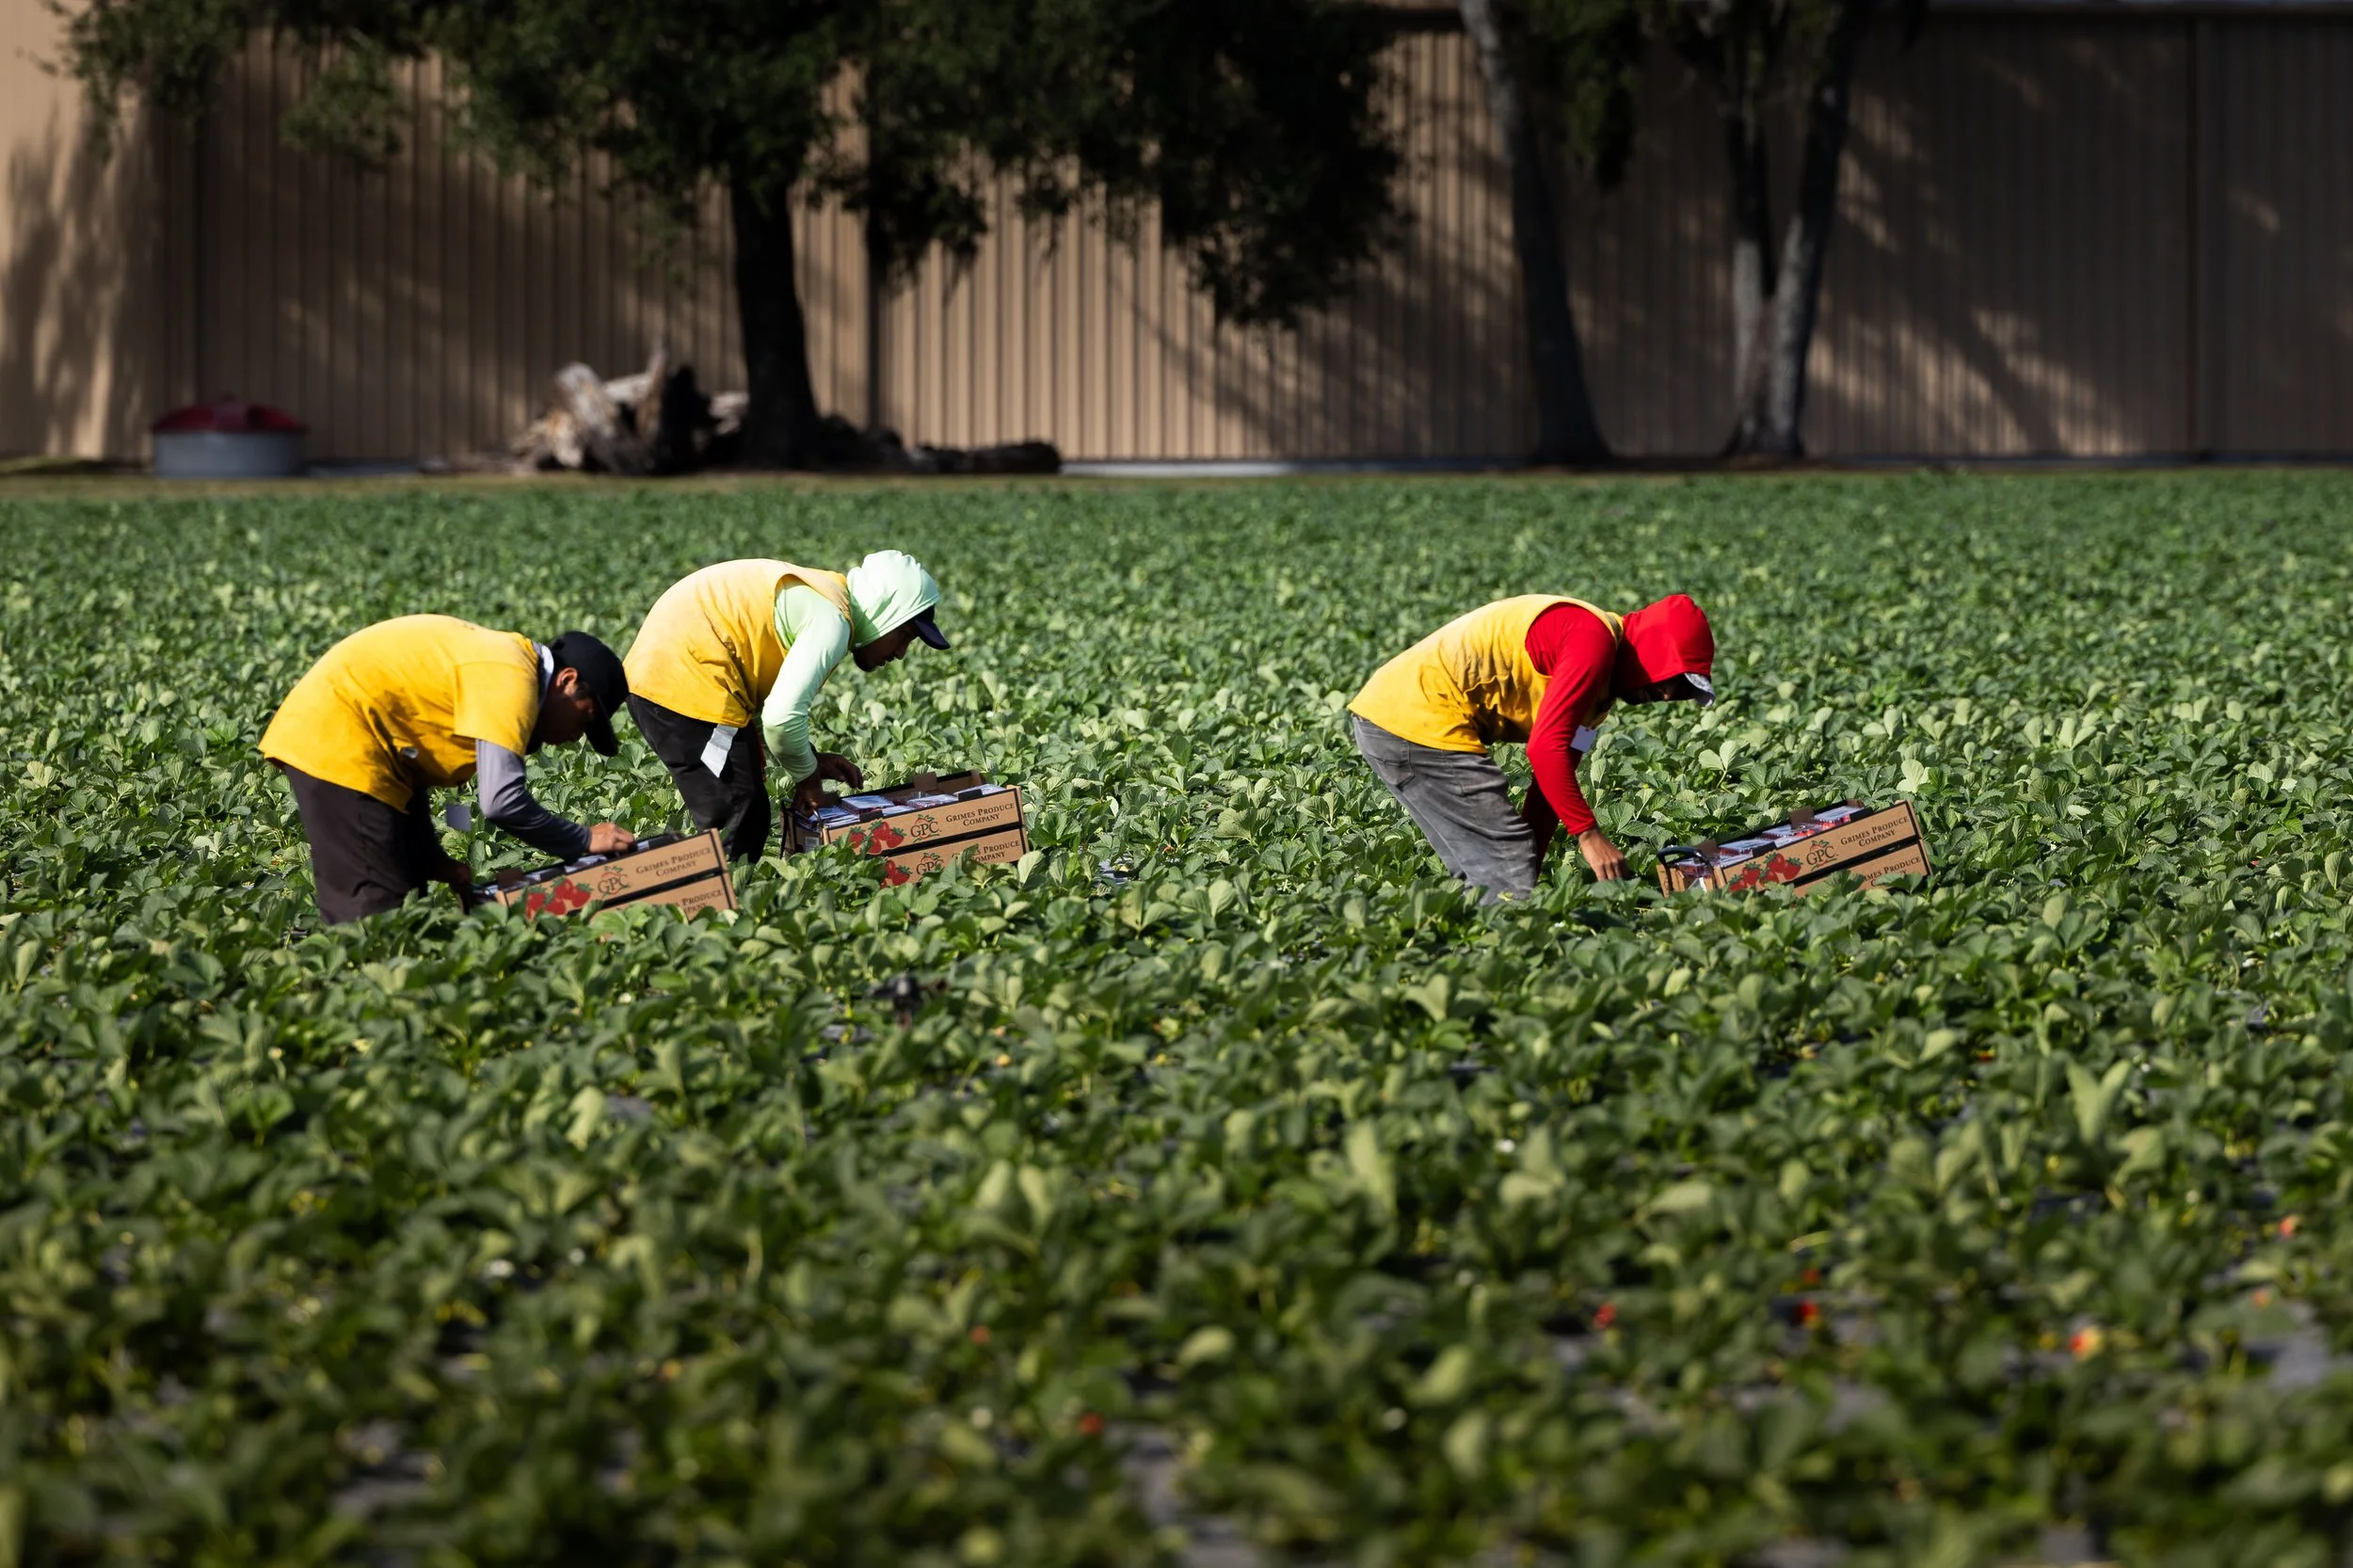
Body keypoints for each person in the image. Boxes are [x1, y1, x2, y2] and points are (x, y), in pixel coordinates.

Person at [260, 616, 637, 924]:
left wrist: (433, 859)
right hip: (336, 737)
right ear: (568, 681)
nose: (574, 739)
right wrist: (583, 840)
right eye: (584, 721)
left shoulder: (506, 663)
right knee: (373, 914)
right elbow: (501, 802)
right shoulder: (510, 674)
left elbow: (412, 773)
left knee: (407, 894)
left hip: (362, 748)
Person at [1349, 592, 1716, 901]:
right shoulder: (1592, 639)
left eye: (1685, 690)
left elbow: (1547, 788)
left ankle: (1473, 955)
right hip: (1417, 719)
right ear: (1651, 650)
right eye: (1674, 677)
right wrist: (1589, 836)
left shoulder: (1595, 704)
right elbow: (1545, 748)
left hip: (1390, 721)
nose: (1669, 695)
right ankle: (1504, 970)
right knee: (1503, 865)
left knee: (1491, 875)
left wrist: (1530, 875)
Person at [623, 552, 950, 861]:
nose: (901, 653)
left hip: (677, 674)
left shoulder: (827, 598)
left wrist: (811, 758)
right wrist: (810, 784)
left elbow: (778, 711)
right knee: (740, 810)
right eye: (904, 635)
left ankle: (691, 893)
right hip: (683, 676)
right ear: (885, 611)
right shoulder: (832, 619)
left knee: (740, 805)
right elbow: (781, 719)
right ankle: (701, 907)